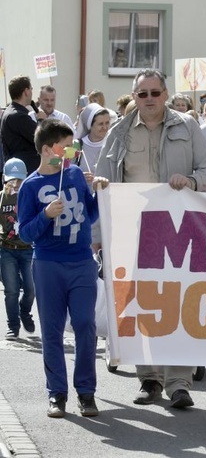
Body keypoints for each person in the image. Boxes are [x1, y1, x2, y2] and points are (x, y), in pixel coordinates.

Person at [96, 69, 206, 409]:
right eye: (141, 94)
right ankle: (149, 379)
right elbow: (103, 188)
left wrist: (192, 181)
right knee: (143, 304)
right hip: (134, 234)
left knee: (178, 304)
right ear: (133, 97)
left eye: (154, 92)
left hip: (180, 231)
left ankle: (179, 383)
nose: (148, 99)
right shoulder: (119, 132)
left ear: (165, 94)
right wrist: (99, 235)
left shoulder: (187, 126)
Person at [18, 119, 109, 418]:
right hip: (47, 265)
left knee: (85, 324)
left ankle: (86, 392)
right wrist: (45, 215)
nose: (71, 153)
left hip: (81, 261)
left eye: (73, 147)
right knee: (52, 332)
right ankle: (57, 393)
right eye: (65, 147)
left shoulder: (73, 174)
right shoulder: (30, 185)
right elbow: (25, 234)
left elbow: (90, 214)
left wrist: (98, 192)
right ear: (46, 150)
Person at [1, 158, 35, 341]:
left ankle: (25, 311)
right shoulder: (2, 197)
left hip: (28, 248)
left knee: (31, 288)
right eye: (11, 181)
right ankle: (12, 326)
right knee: (11, 290)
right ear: (5, 180)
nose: (15, 184)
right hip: (6, 249)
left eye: (19, 180)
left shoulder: (30, 195)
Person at [1, 76, 39, 174]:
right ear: (26, 91)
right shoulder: (18, 116)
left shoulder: (11, 112)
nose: (31, 92)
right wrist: (41, 120)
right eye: (31, 89)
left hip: (18, 170)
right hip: (24, 172)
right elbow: (41, 137)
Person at [76, 104, 111, 172]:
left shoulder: (112, 144)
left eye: (107, 123)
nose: (105, 127)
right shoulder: (77, 146)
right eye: (100, 124)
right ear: (90, 125)